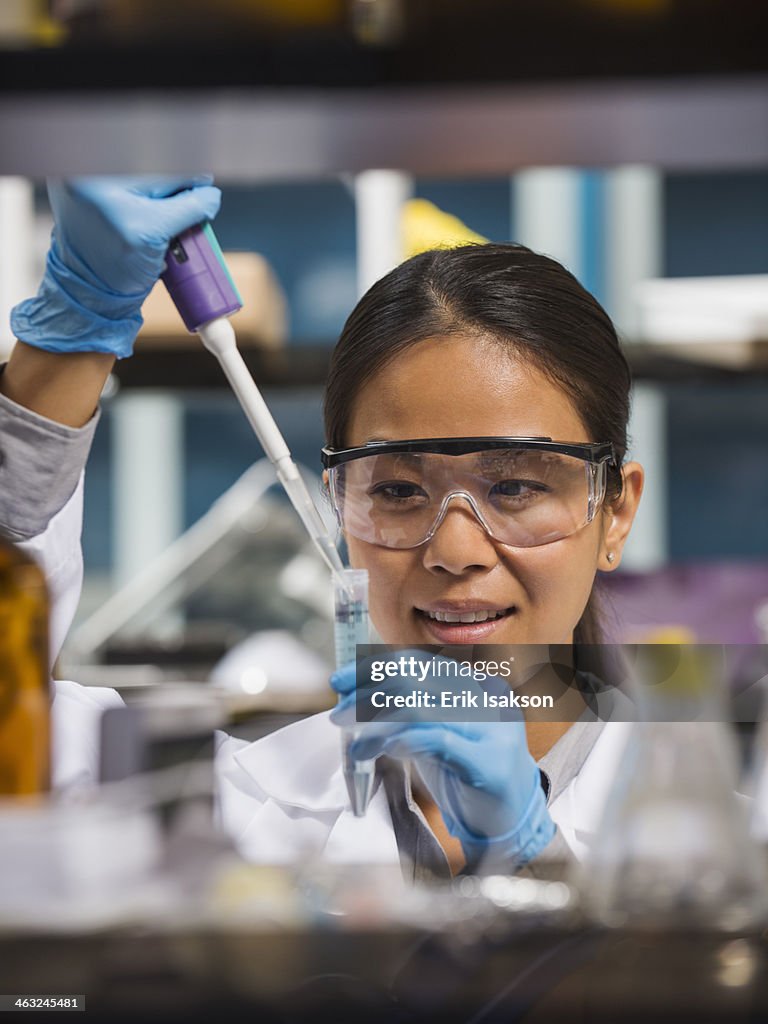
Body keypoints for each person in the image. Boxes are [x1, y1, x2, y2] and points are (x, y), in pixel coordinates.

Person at [0, 179, 643, 878]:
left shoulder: (722, 817)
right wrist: (77, 320)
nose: (456, 552)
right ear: (339, 504)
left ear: (615, 512)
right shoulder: (233, 807)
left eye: (515, 487)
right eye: (398, 489)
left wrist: (535, 855)